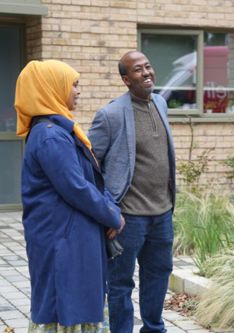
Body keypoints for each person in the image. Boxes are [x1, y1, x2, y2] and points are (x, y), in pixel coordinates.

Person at [15, 59, 123, 332]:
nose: (78, 91)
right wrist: (112, 215)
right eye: (73, 85)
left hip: (69, 234)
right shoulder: (51, 137)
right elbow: (77, 188)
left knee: (74, 303)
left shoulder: (57, 132)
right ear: (51, 88)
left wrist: (109, 207)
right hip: (62, 238)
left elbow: (90, 181)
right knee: (65, 306)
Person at [88, 51, 176, 333]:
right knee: (120, 283)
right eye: (138, 70)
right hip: (128, 218)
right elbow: (90, 166)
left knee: (159, 274)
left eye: (148, 66)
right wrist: (107, 209)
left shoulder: (161, 103)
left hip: (162, 214)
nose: (147, 72)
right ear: (126, 79)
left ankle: (153, 327)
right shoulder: (110, 114)